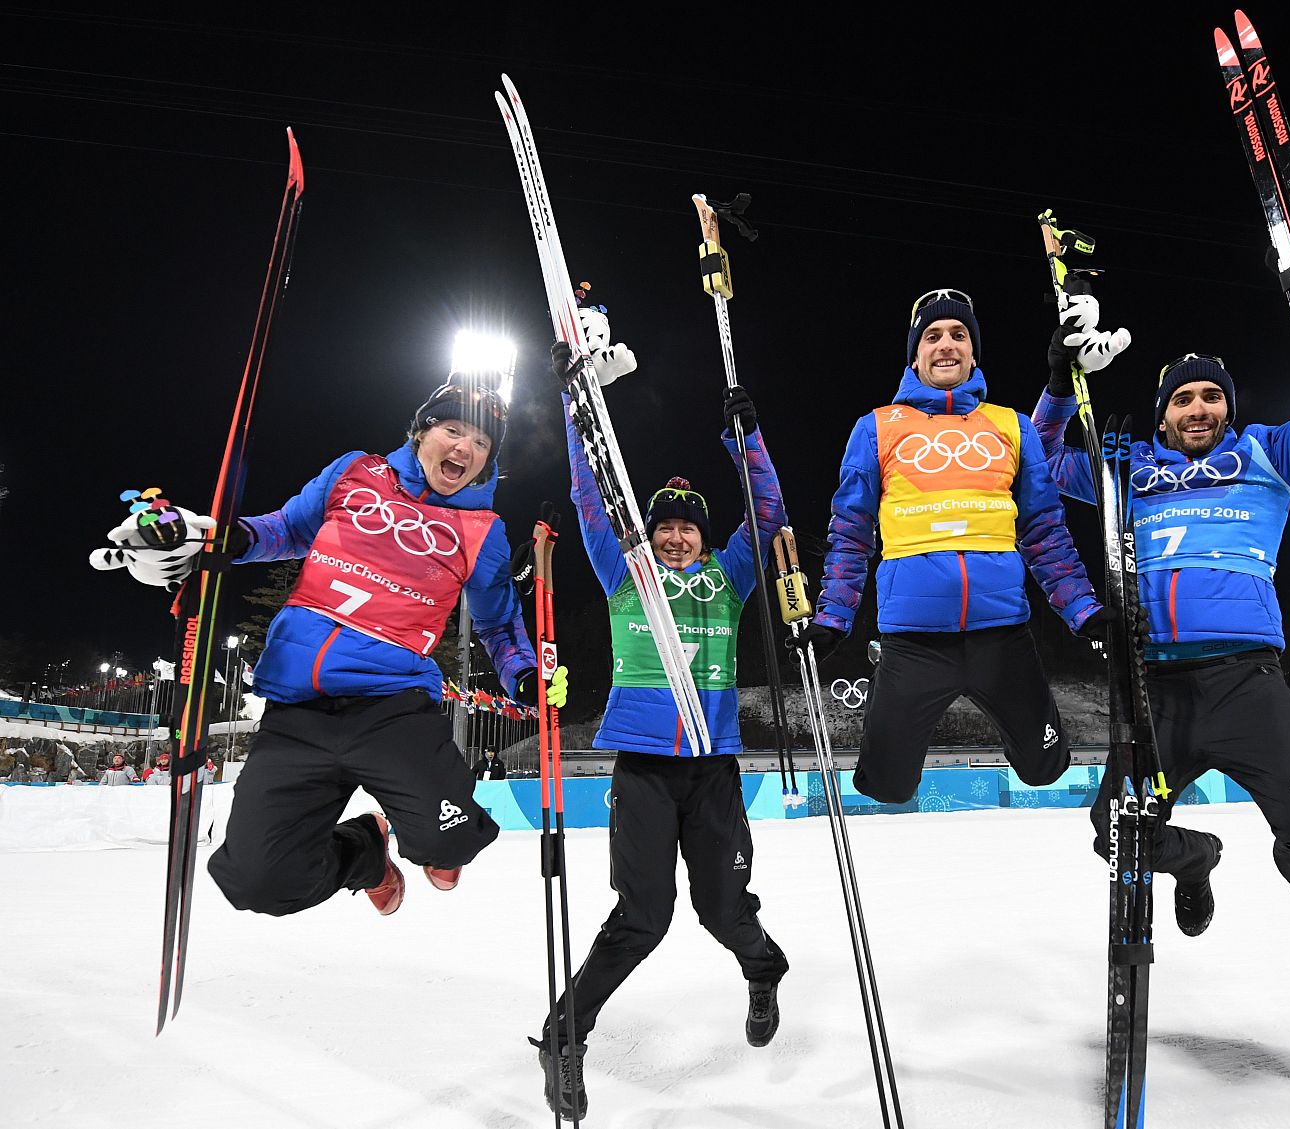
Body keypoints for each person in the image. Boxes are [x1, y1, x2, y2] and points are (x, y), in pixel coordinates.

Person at [1032, 208, 1290, 958]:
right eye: (1183, 399)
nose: (1199, 408)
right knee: (1116, 833)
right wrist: (1061, 382)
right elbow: (1033, 464)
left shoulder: (1272, 455)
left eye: (1211, 396)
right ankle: (1195, 860)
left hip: (1248, 684)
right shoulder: (1126, 472)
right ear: (1163, 414)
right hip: (1154, 690)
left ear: (1228, 406)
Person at [91, 368, 564, 920]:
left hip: (392, 708)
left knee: (450, 844)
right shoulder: (355, 472)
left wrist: (527, 677)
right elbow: (285, 529)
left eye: (482, 443)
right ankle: (365, 853)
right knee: (256, 883)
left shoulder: (482, 530)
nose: (466, 447)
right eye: (454, 430)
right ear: (420, 432)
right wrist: (214, 540)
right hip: (298, 708)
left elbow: (499, 624)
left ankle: (429, 839)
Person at [528, 312, 789, 1123]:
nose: (676, 534)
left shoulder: (730, 577)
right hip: (640, 766)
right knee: (641, 918)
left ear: (704, 536)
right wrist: (578, 406)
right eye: (665, 523)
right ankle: (562, 1036)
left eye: (688, 525)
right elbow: (586, 494)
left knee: (721, 909)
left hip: (712, 769)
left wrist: (746, 440)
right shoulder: (624, 571)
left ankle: (763, 966)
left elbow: (769, 514)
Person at [795, 288, 1108, 808]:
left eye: (958, 335)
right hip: (913, 643)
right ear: (914, 353)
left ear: (973, 352)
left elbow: (1044, 532)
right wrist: (833, 618)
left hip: (1002, 635)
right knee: (887, 786)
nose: (946, 345)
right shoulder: (875, 427)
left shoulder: (1013, 425)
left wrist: (1084, 610)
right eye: (932, 336)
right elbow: (850, 532)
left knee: (1045, 768)